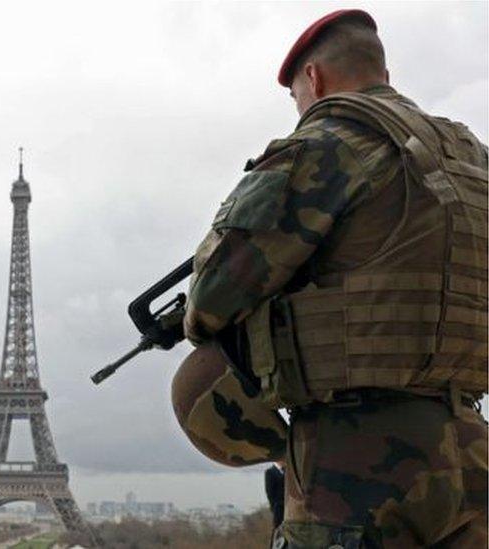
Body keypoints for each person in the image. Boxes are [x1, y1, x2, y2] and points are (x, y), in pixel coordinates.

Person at [177, 8, 487, 548]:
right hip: (473, 452)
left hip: (359, 462)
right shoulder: (475, 162)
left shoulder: (325, 146)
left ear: (314, 80)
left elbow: (211, 301)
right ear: (385, 78)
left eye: (296, 95)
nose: (300, 106)